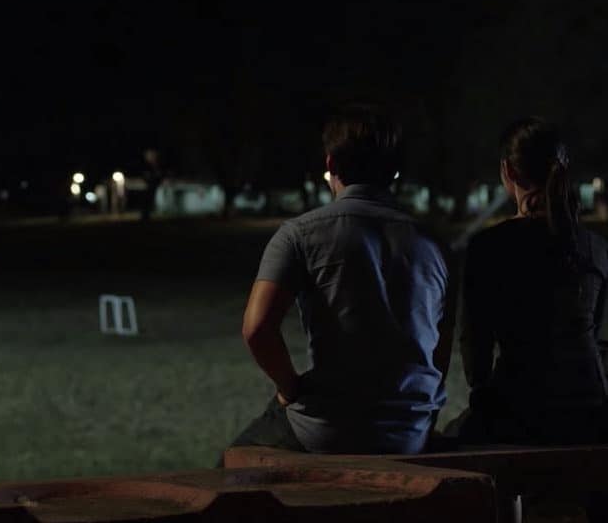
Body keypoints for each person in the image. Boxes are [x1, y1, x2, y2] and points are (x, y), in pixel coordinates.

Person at [224, 104, 452, 460]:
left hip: (328, 427)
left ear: (331, 163)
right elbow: (441, 345)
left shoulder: (299, 234)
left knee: (231, 463)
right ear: (393, 170)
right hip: (410, 429)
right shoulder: (434, 243)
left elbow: (257, 329)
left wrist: (290, 389)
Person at [457, 117, 608, 447]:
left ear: (508, 172)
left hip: (519, 412)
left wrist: (484, 398)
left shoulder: (488, 247)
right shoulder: (595, 248)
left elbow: (475, 355)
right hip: (593, 412)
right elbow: (592, 336)